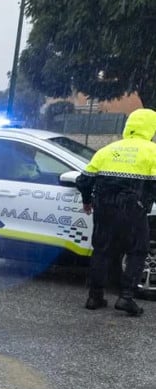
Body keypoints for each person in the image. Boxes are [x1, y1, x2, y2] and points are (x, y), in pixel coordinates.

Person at [76, 108, 156, 316]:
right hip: (133, 210)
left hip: (104, 207)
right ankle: (126, 297)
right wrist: (145, 203)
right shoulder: (152, 151)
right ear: (151, 128)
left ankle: (95, 296)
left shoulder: (108, 149)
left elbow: (83, 180)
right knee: (137, 251)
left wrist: (87, 201)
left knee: (101, 250)